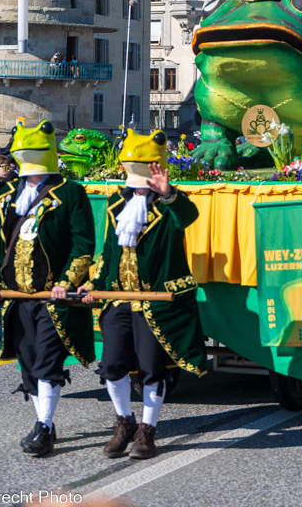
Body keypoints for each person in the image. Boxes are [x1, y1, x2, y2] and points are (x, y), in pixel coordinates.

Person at [78, 129, 207, 460]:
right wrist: (94, 284)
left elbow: (187, 218)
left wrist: (168, 193)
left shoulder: (169, 205)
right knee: (112, 366)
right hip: (119, 298)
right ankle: (124, 422)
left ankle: (147, 432)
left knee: (153, 369)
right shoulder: (115, 203)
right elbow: (108, 252)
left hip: (154, 301)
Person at [0, 119, 95, 457]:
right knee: (28, 361)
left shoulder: (71, 193)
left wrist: (66, 282)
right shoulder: (6, 196)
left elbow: (83, 243)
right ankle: (42, 420)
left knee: (47, 359)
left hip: (51, 297)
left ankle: (43, 426)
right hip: (16, 297)